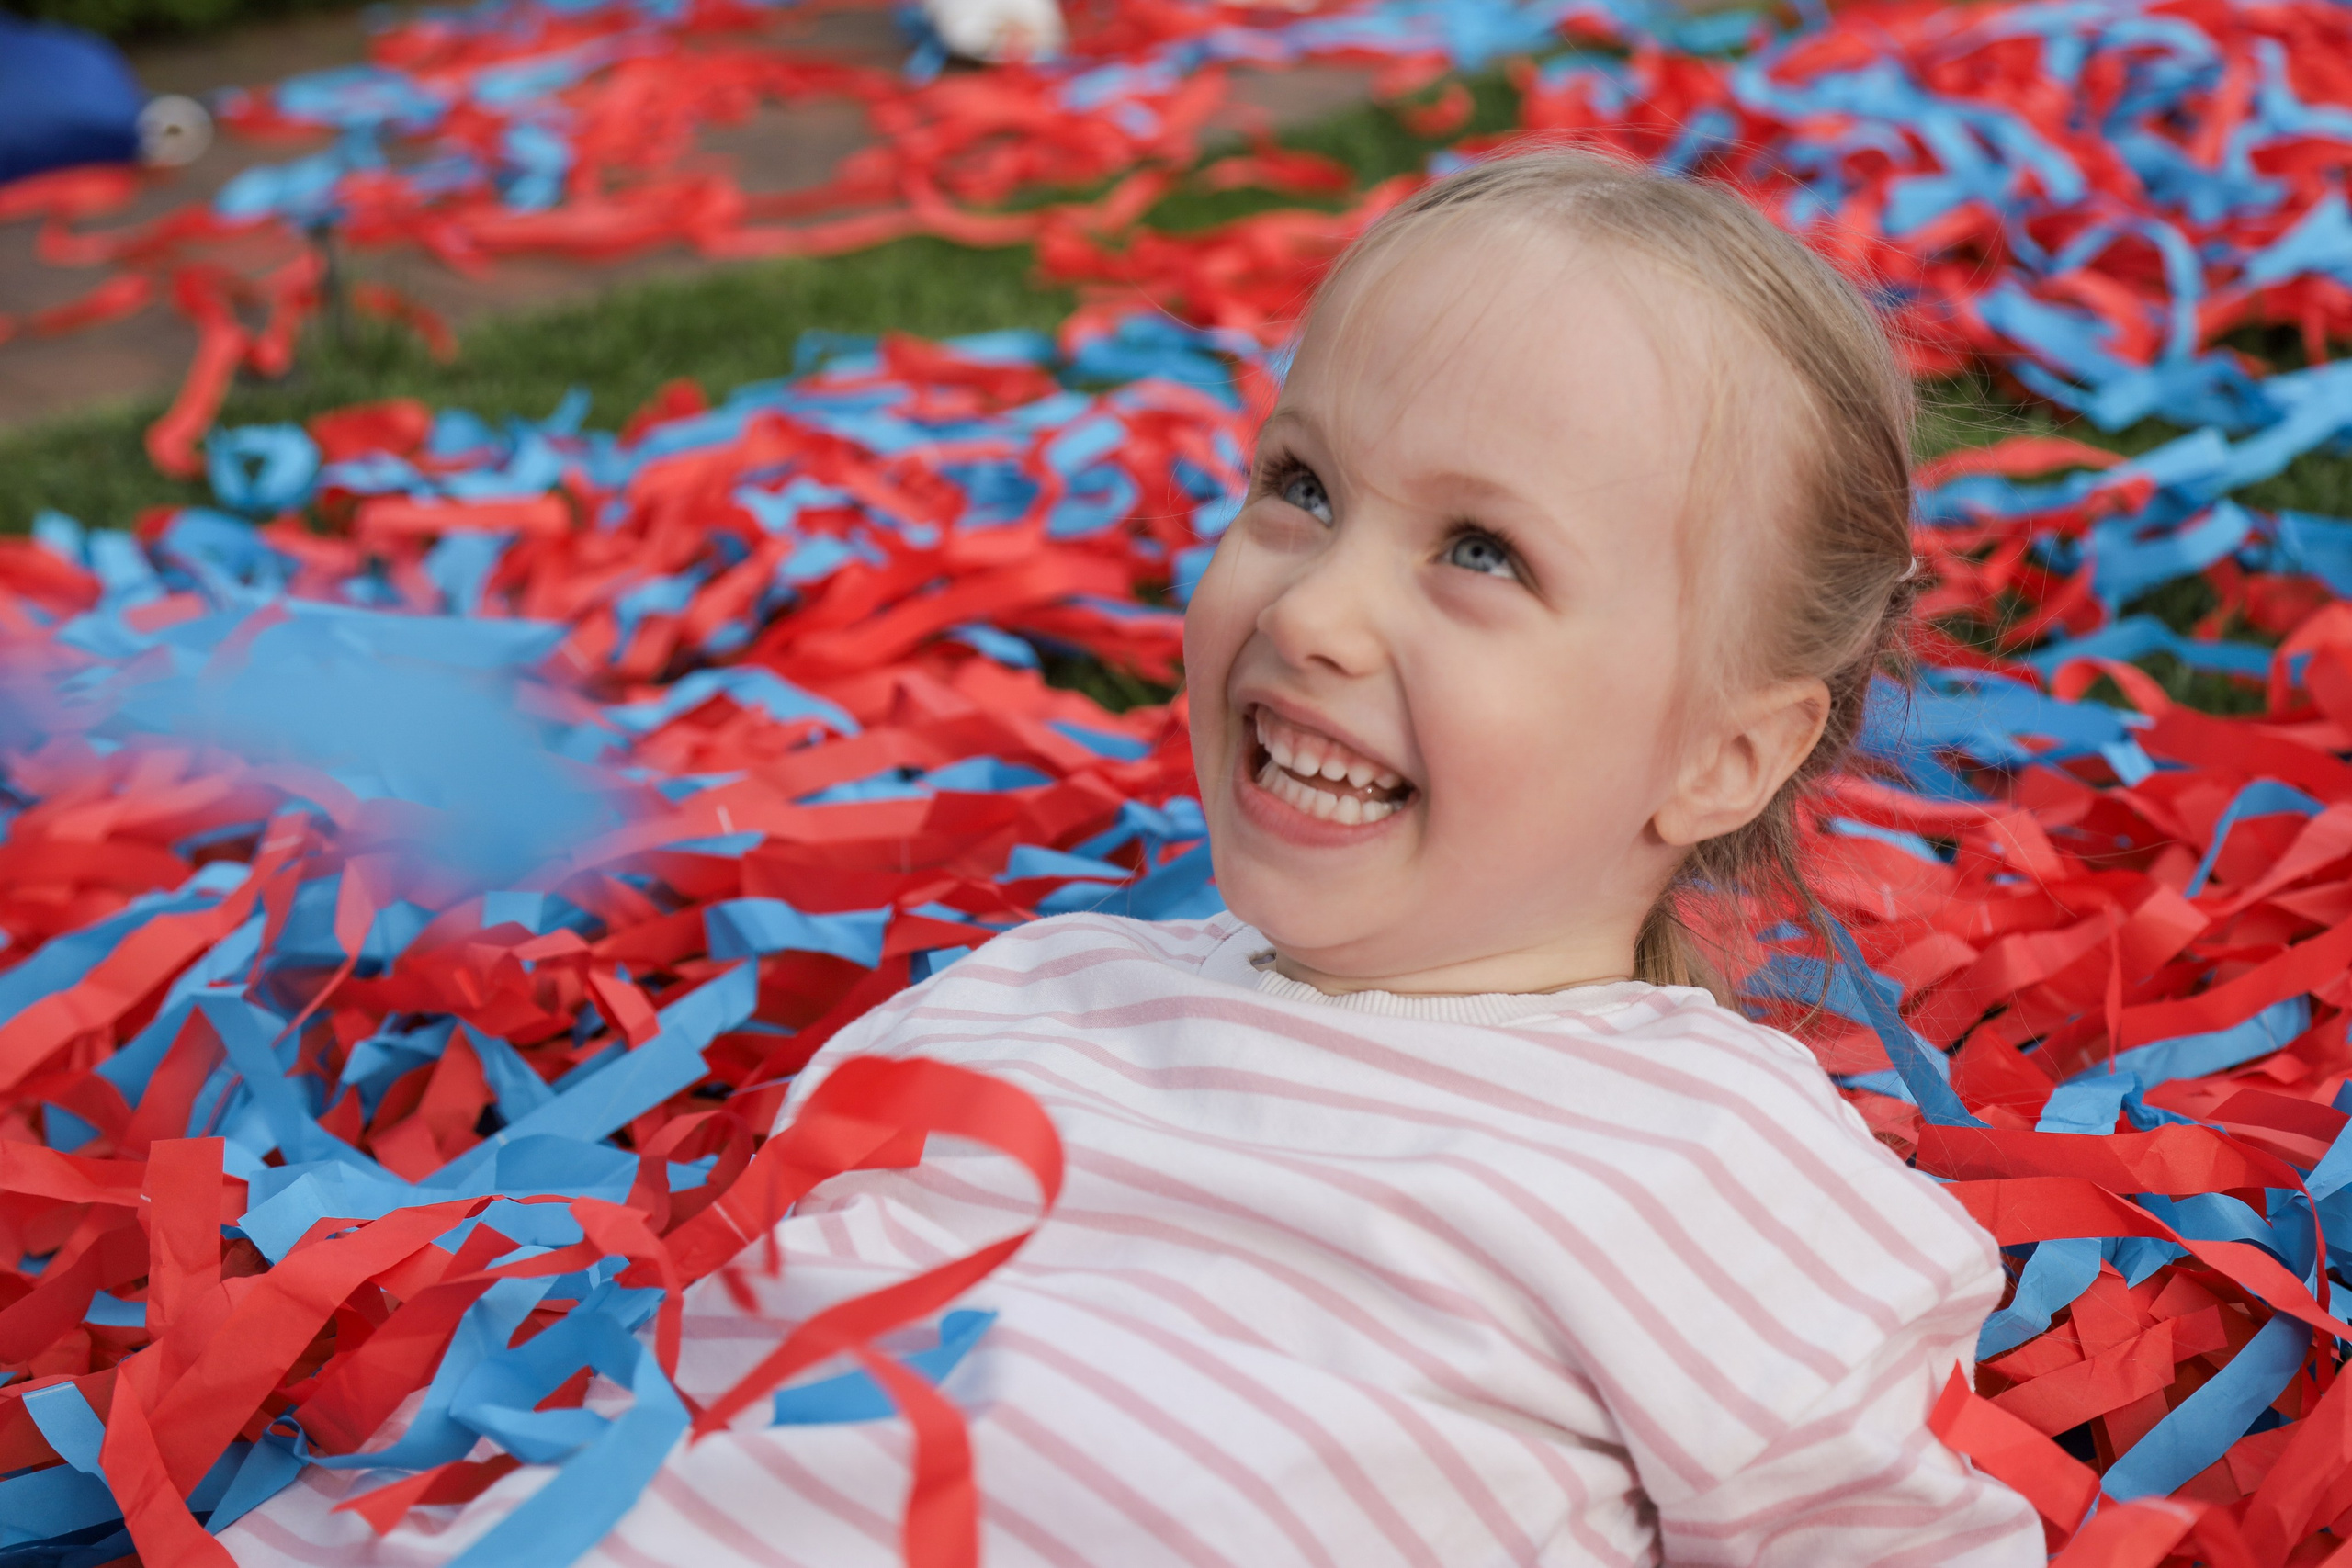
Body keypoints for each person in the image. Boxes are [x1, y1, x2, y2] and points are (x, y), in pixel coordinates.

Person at [223, 147, 2041, 1567]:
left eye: (1479, 551)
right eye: (1302, 487)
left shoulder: (1705, 1156)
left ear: (1723, 750)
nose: (1313, 606)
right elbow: (697, 1361)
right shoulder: (1040, 991)